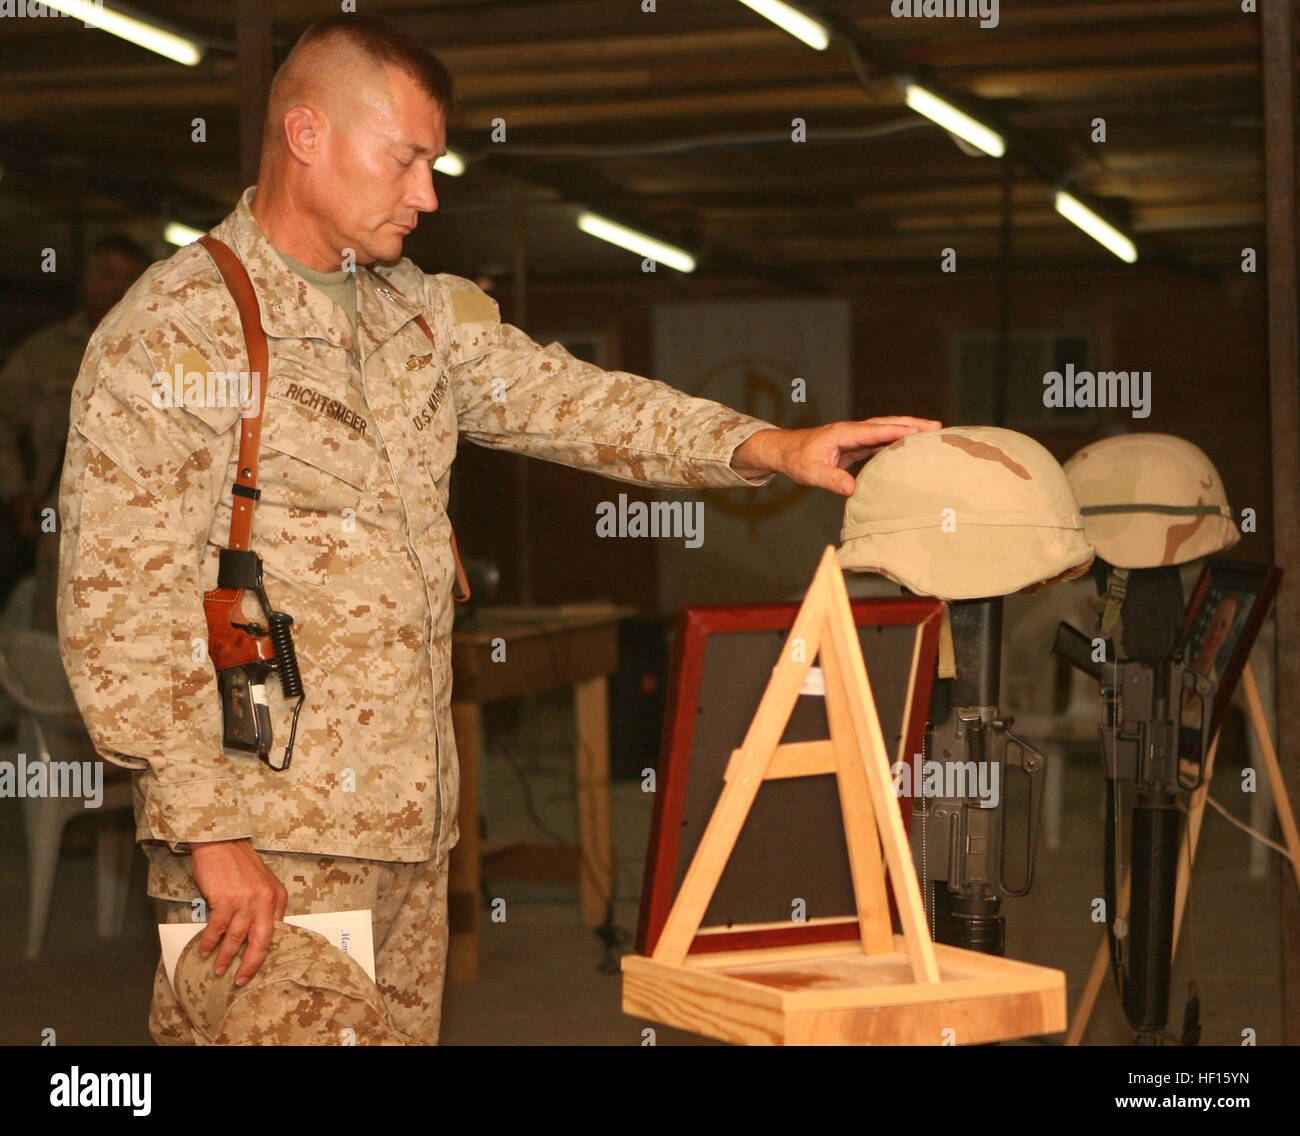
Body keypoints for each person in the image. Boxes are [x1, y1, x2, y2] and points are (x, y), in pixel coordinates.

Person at [57, 14, 940, 1045]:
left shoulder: (414, 314)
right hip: (265, 841)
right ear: (306, 136)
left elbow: (576, 402)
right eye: (406, 160)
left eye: (433, 163)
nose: (428, 194)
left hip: (410, 835)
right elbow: (118, 605)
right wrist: (209, 831)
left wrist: (768, 447)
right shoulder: (175, 329)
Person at [0, 236, 147, 627]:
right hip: (60, 536)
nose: (118, 286)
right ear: (85, 282)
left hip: (141, 542)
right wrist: (16, 491)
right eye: (108, 274)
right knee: (57, 655)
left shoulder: (163, 353)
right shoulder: (43, 354)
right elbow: (3, 419)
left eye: (130, 277)